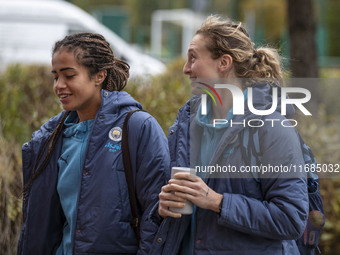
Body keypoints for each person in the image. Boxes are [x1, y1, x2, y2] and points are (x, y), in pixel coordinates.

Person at [152, 15, 309, 254]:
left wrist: (218, 202)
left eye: (193, 58)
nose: (186, 69)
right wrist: (161, 208)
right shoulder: (187, 123)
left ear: (223, 62)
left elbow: (291, 218)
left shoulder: (271, 128)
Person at [17, 32, 170, 255]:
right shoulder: (50, 137)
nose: (59, 85)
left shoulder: (138, 127)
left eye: (69, 75)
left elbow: (156, 216)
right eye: (55, 77)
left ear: (99, 76)